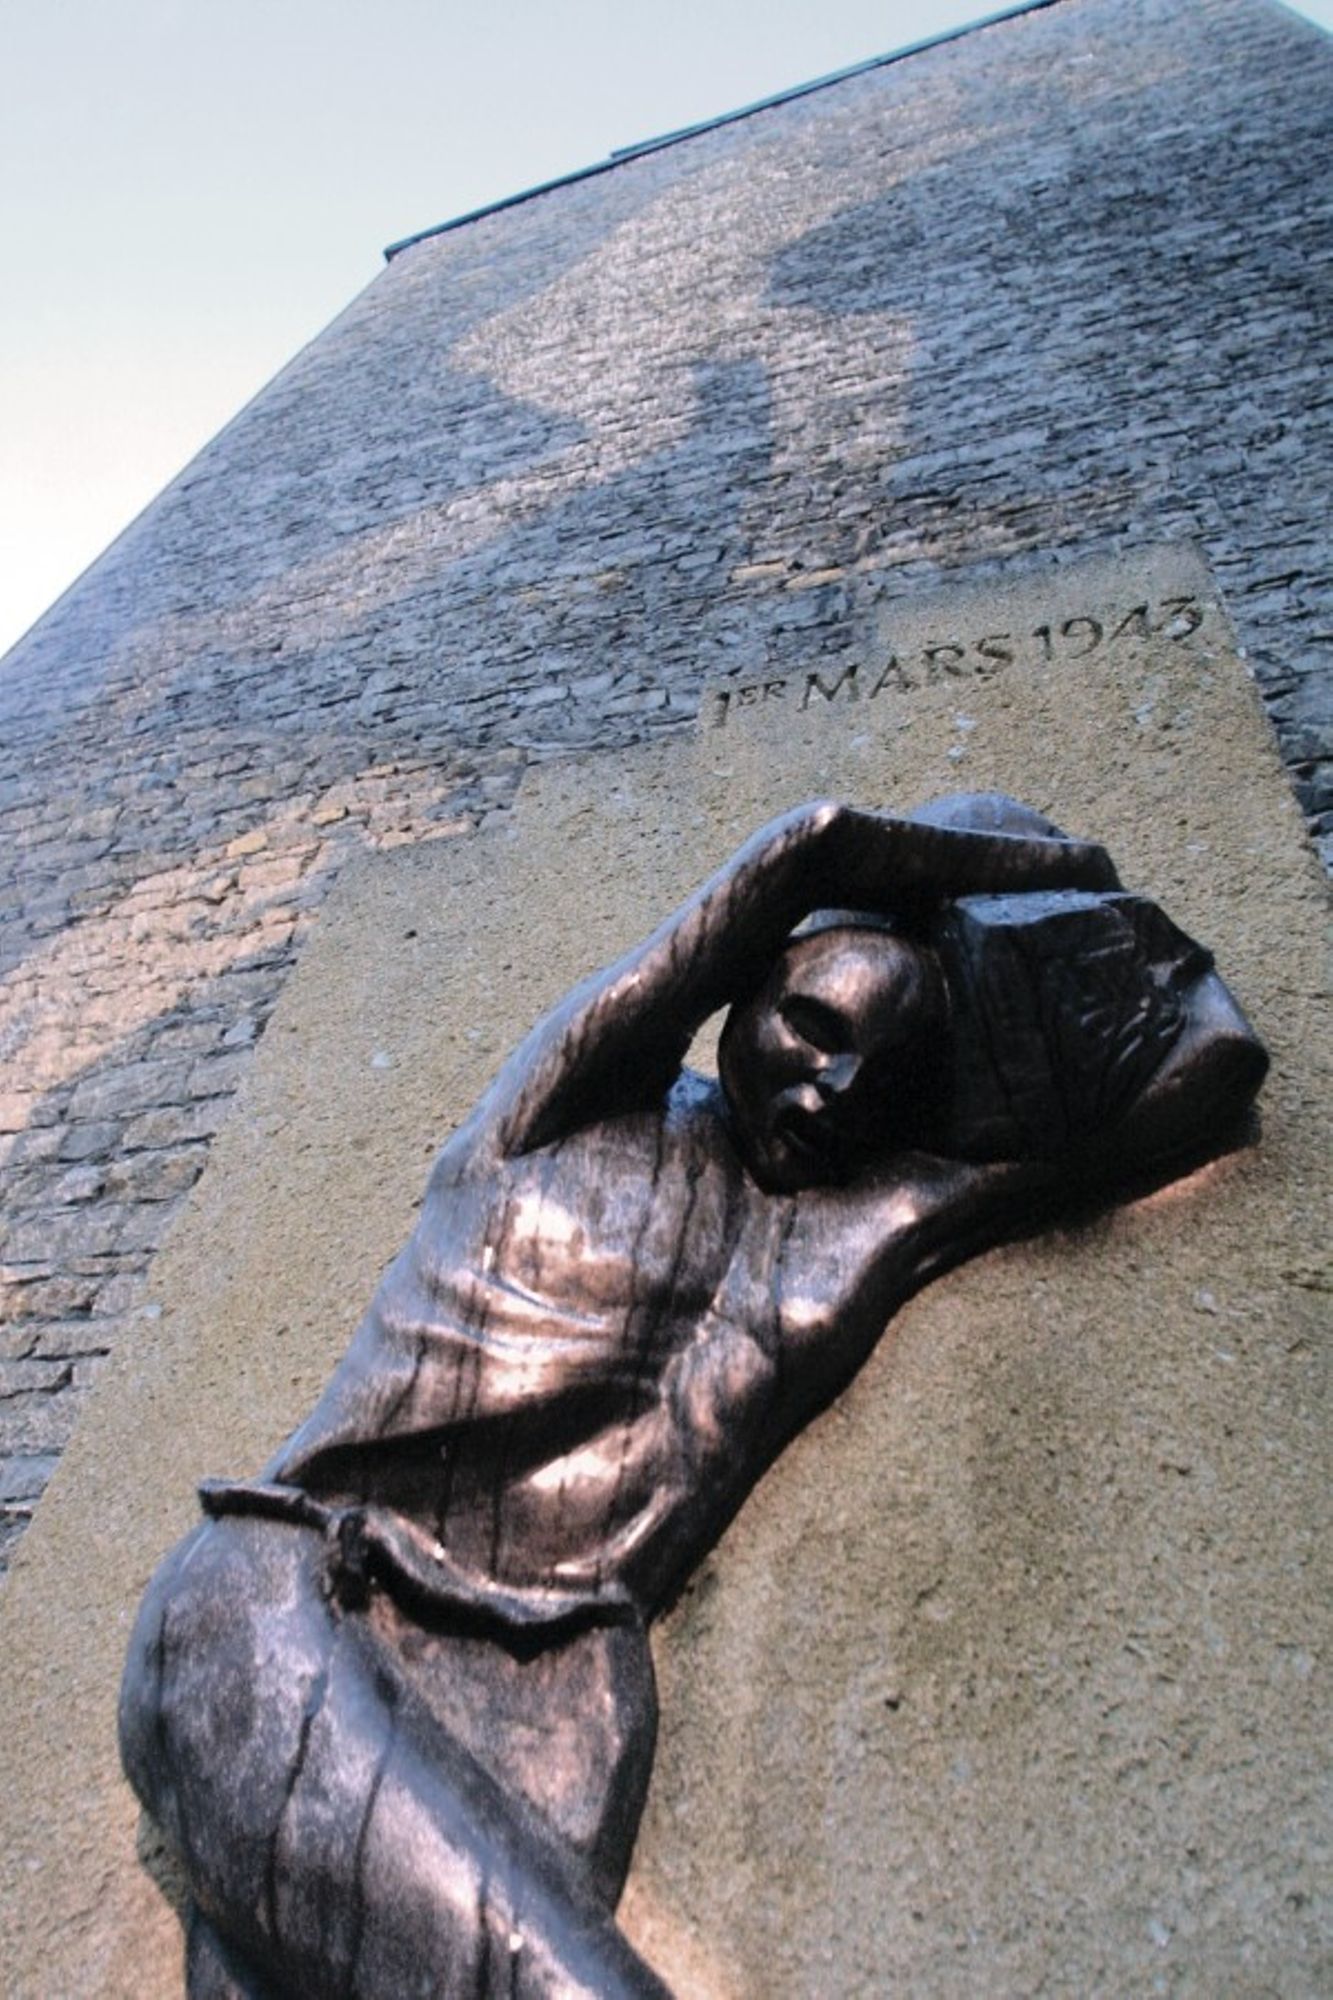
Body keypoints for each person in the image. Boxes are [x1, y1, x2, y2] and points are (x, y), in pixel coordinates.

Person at [119, 794, 1266, 2000]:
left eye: (882, 1078)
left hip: (545, 1713)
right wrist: (1037, 866)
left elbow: (1212, 1064)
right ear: (745, 990)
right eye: (813, 1026)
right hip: (297, 1599)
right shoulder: (563, 1111)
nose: (832, 1088)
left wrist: (1049, 950)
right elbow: (809, 845)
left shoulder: (858, 1229)